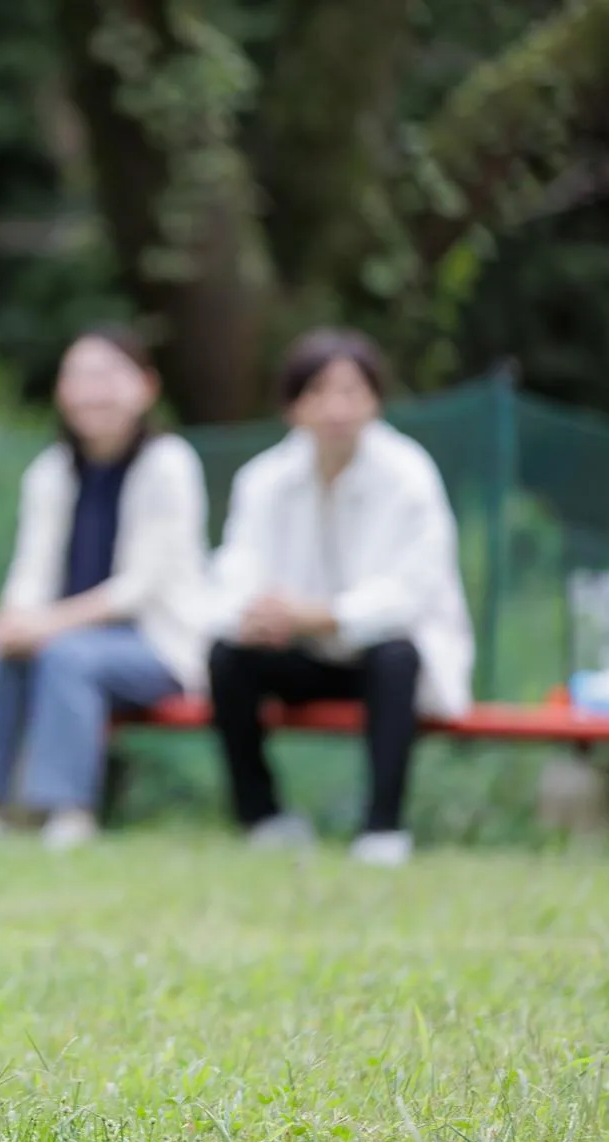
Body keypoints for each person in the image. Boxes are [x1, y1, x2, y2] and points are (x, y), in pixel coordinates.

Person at [206, 328, 475, 867]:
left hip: (377, 657)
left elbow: (413, 591)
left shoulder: (408, 475)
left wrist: (323, 616)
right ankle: (261, 817)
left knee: (397, 656)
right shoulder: (264, 479)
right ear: (292, 407)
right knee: (228, 659)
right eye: (319, 392)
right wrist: (255, 614)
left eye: (352, 391)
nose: (336, 408)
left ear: (375, 401)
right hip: (299, 653)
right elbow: (234, 568)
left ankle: (382, 828)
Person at [0, 326, 211, 851]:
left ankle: (67, 808)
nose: (92, 391)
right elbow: (30, 572)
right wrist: (16, 620)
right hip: (71, 637)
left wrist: (48, 624)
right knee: (2, 647)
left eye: (107, 376)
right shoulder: (51, 472)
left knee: (67, 656)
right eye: (78, 377)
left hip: (160, 647)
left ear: (145, 387)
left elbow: (140, 588)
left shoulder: (169, 464)